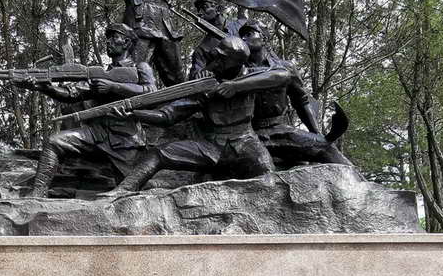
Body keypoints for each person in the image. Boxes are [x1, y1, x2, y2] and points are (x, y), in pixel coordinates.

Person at [107, 35, 286, 194]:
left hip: (246, 142)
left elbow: (283, 75)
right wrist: (134, 114)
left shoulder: (252, 76)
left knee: (268, 176)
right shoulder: (203, 84)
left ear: (237, 62)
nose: (216, 60)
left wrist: (235, 87)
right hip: (212, 147)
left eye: (222, 58)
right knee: (158, 153)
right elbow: (168, 116)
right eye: (216, 56)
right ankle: (123, 190)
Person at [16, 24, 156, 198]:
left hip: (125, 139)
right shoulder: (99, 73)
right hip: (96, 134)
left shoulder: (140, 68)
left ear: (127, 43)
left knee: (136, 191)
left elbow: (151, 92)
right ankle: (38, 193)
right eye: (108, 38)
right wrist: (45, 87)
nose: (108, 41)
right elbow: (72, 94)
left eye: (114, 37)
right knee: (54, 141)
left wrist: (113, 87)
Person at [238, 19, 350, 167]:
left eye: (249, 34)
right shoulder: (237, 71)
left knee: (328, 149)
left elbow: (301, 101)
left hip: (282, 130)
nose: (243, 39)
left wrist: (316, 134)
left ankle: (360, 181)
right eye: (241, 36)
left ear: (264, 38)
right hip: (251, 134)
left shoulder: (286, 67)